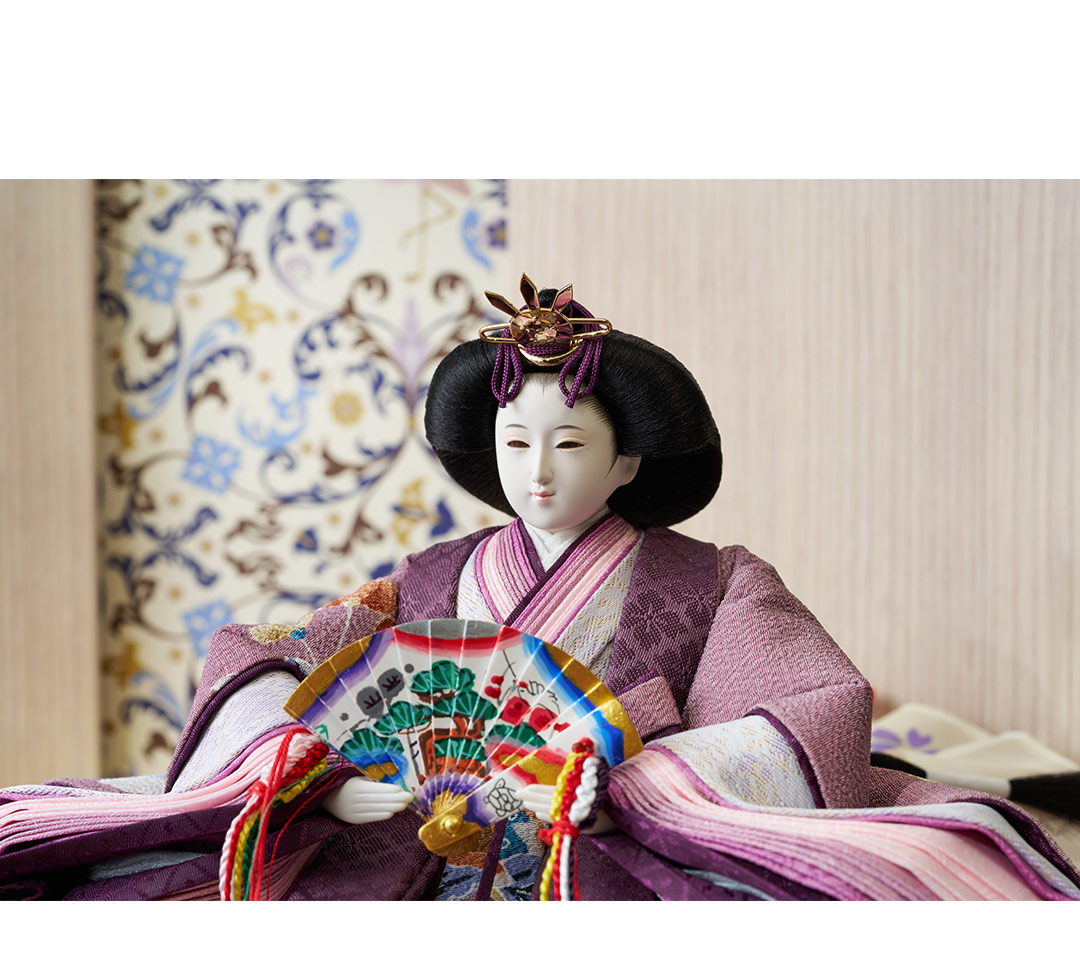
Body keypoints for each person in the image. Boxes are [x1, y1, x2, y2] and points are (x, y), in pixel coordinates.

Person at [3, 277, 1078, 901]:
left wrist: (628, 784)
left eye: (570, 444)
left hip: (603, 846)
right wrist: (322, 779)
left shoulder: (715, 584)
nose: (539, 473)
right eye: (517, 443)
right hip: (412, 845)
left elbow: (803, 705)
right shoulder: (424, 581)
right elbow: (288, 661)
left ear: (627, 461)